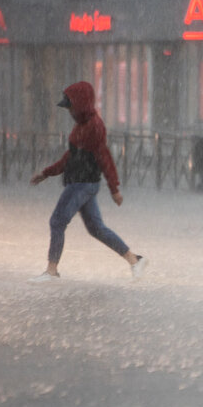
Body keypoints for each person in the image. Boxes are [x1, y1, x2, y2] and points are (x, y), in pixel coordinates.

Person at [28, 81, 148, 282]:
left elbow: (104, 157)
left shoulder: (94, 126)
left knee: (57, 221)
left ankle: (51, 270)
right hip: (81, 182)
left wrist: (114, 188)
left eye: (70, 107)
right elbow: (71, 156)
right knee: (96, 228)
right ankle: (134, 260)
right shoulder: (81, 126)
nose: (68, 112)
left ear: (81, 104)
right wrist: (47, 173)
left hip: (82, 183)